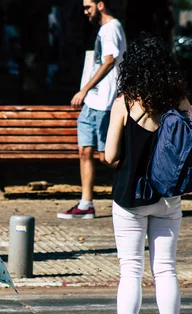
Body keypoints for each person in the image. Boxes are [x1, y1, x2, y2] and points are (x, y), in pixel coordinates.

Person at [104, 34, 192, 314]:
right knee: (166, 269)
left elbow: (110, 155)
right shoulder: (179, 102)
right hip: (168, 197)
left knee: (130, 269)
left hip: (130, 197)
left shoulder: (125, 101)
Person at [57, 0, 126, 219]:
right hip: (93, 102)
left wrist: (84, 89)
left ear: (101, 5)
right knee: (85, 151)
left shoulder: (112, 28)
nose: (85, 11)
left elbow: (108, 61)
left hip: (104, 101)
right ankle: (86, 205)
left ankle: (138, 193)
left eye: (89, 7)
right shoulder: (102, 30)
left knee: (108, 157)